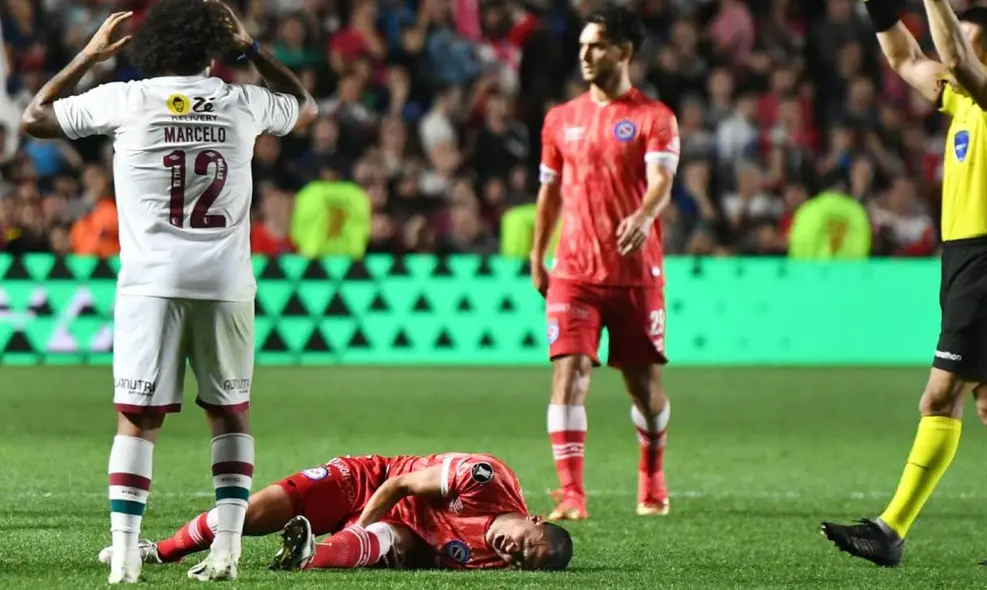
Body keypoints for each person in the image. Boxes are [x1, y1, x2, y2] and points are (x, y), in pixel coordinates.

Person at [20, 0, 318, 583]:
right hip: (226, 284)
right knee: (230, 415)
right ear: (214, 50)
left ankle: (125, 554)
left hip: (152, 284)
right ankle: (227, 552)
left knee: (138, 421)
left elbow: (35, 117)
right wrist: (253, 49)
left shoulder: (127, 99)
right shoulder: (242, 101)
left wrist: (88, 55)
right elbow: (306, 107)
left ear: (151, 49)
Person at [820, 3, 987, 567]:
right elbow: (905, 58)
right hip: (970, 260)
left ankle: (890, 529)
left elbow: (955, 61)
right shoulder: (962, 99)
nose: (947, 59)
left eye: (961, 45)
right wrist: (879, 6)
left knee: (939, 397)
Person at [531, 7, 679, 520]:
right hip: (574, 271)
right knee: (568, 374)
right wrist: (537, 254)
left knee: (643, 386)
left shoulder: (654, 117)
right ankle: (571, 494)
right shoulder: (560, 119)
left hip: (636, 274)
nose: (586, 55)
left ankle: (652, 475)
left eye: (596, 45)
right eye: (582, 46)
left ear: (624, 51)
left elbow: (662, 182)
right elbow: (549, 193)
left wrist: (643, 215)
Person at [97, 453, 574, 572]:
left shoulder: (493, 561)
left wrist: (362, 541)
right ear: (533, 518)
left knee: (395, 542)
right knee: (254, 512)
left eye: (521, 560)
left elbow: (426, 555)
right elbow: (398, 485)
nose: (513, 552)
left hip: (402, 527)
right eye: (525, 544)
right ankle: (161, 551)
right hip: (370, 480)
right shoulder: (486, 479)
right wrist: (357, 526)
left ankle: (308, 556)